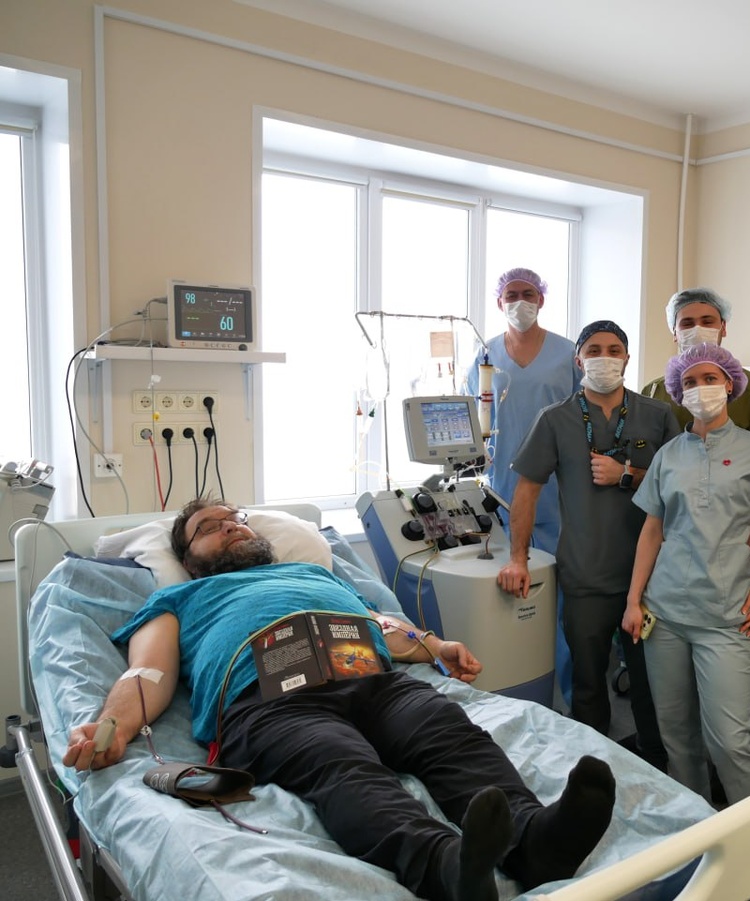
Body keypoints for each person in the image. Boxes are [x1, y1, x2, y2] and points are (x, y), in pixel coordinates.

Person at [62, 498, 617, 901]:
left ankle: (534, 841)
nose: (230, 525)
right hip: (272, 700)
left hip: (371, 678)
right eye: (210, 527)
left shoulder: (313, 572)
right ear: (187, 558)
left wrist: (436, 645)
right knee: (343, 767)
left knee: (450, 733)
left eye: (236, 518)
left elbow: (379, 623)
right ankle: (447, 868)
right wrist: (112, 726)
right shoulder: (181, 597)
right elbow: (148, 670)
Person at [498, 321, 679, 770]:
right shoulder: (555, 419)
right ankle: (594, 771)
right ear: (578, 360)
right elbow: (526, 492)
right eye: (594, 350)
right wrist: (518, 559)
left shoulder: (657, 415)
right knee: (589, 684)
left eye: (614, 350)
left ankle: (657, 768)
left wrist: (629, 475)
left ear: (627, 359)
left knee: (652, 686)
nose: (605, 358)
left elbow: (681, 484)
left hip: (650, 579)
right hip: (586, 576)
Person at [621, 343, 750, 805]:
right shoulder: (669, 455)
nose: (700, 389)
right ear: (678, 391)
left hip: (725, 616)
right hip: (665, 612)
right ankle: (695, 823)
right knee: (677, 734)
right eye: (689, 382)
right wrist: (633, 600)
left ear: (729, 384)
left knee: (729, 741)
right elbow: (652, 530)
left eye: (710, 379)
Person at [465, 267, 581, 706]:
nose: (519, 301)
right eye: (511, 294)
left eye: (528, 293)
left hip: (558, 495)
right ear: (499, 302)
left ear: (542, 299)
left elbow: (585, 419)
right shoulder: (486, 354)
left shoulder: (568, 353)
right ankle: (514, 692)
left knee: (561, 604)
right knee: (511, 600)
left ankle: (566, 701)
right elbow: (474, 418)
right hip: (502, 493)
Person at [641, 287, 750, 453]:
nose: (698, 329)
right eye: (688, 323)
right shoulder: (654, 392)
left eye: (707, 322)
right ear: (675, 332)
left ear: (723, 328)